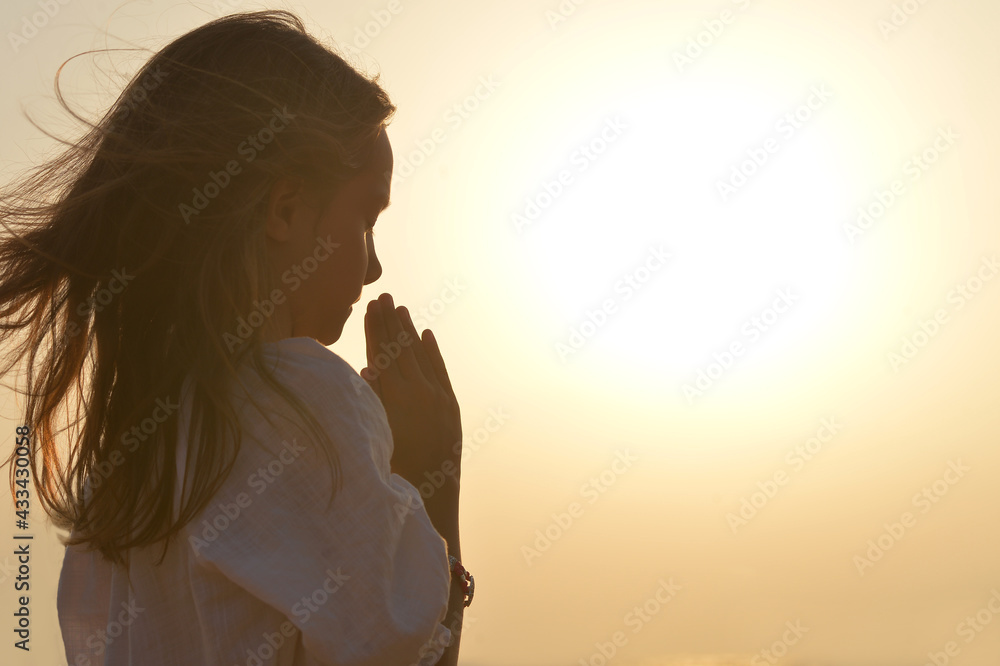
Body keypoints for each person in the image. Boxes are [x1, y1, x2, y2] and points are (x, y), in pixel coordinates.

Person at [0, 9, 470, 665]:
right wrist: (430, 474)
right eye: (366, 217)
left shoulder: (126, 465)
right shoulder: (306, 403)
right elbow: (405, 653)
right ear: (285, 210)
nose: (373, 266)